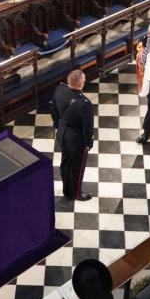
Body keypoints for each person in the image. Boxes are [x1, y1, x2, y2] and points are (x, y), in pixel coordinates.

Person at [50, 69, 94, 201]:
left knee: (65, 162)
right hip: (76, 138)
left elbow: (52, 107)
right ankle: (76, 193)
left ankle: (67, 190)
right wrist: (88, 143)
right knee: (77, 167)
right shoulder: (85, 104)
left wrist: (58, 124)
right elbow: (88, 127)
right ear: (81, 84)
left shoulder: (59, 89)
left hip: (63, 132)